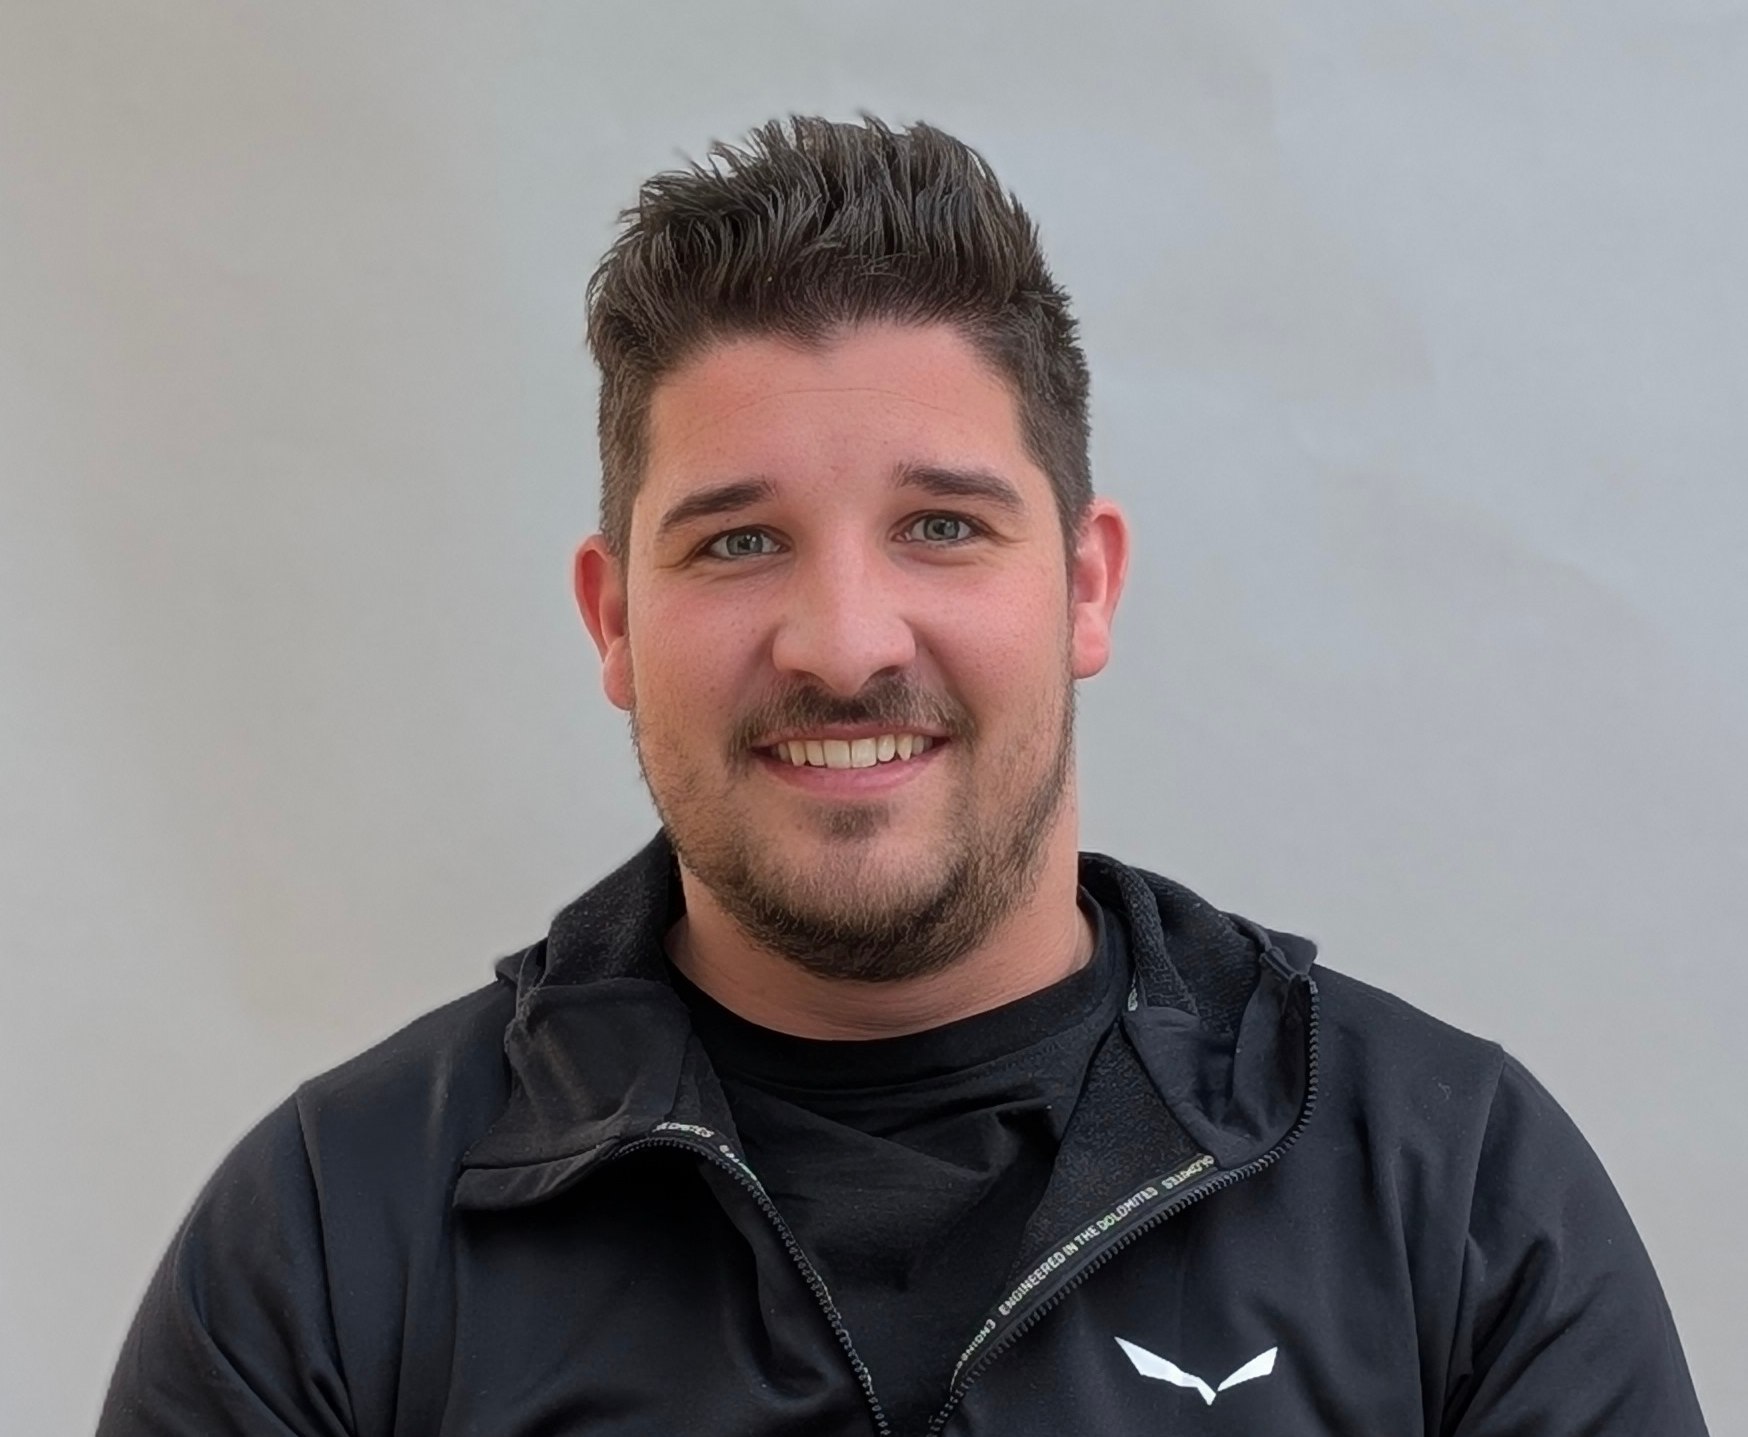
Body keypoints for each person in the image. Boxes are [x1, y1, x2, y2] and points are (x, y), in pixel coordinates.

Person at [99, 116, 1708, 1436]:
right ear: (615, 622)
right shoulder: (336, 1238)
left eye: (942, 526)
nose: (844, 642)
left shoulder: (1454, 1197)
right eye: (739, 542)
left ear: (1085, 586)